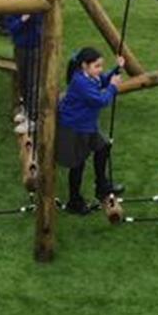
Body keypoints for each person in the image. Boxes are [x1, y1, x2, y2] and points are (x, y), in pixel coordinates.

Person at [55, 47, 124, 214]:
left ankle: (101, 185)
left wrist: (116, 69)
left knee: (103, 146)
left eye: (101, 66)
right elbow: (100, 101)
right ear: (84, 66)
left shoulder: (90, 76)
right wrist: (113, 87)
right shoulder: (80, 82)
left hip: (88, 125)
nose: (100, 70)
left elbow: (103, 80)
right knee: (78, 164)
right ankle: (74, 200)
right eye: (97, 66)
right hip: (75, 127)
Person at [6, 0, 41, 134]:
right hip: (20, 45)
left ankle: (33, 119)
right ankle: (27, 110)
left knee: (32, 82)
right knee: (23, 81)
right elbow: (11, 27)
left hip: (33, 45)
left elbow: (41, 19)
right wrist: (23, 19)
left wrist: (32, 6)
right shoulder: (12, 0)